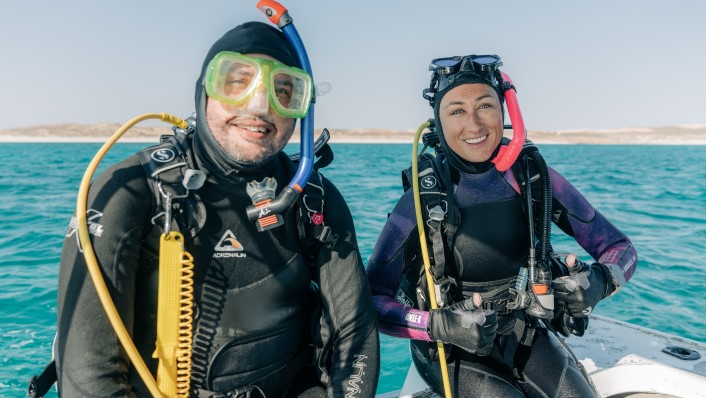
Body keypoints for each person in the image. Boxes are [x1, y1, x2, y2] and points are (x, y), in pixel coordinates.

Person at [54, 21, 379, 397]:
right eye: (237, 82)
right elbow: (87, 376)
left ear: (299, 111)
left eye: (284, 91)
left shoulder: (314, 199)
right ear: (204, 91)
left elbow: (355, 336)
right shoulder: (129, 193)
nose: (260, 106)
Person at [366, 54, 637, 397]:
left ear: (504, 112)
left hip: (525, 332)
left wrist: (601, 280)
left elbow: (621, 249)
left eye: (485, 106)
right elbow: (372, 302)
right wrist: (437, 325)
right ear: (438, 122)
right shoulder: (423, 198)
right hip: (450, 348)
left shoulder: (532, 177)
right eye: (456, 111)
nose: (475, 125)